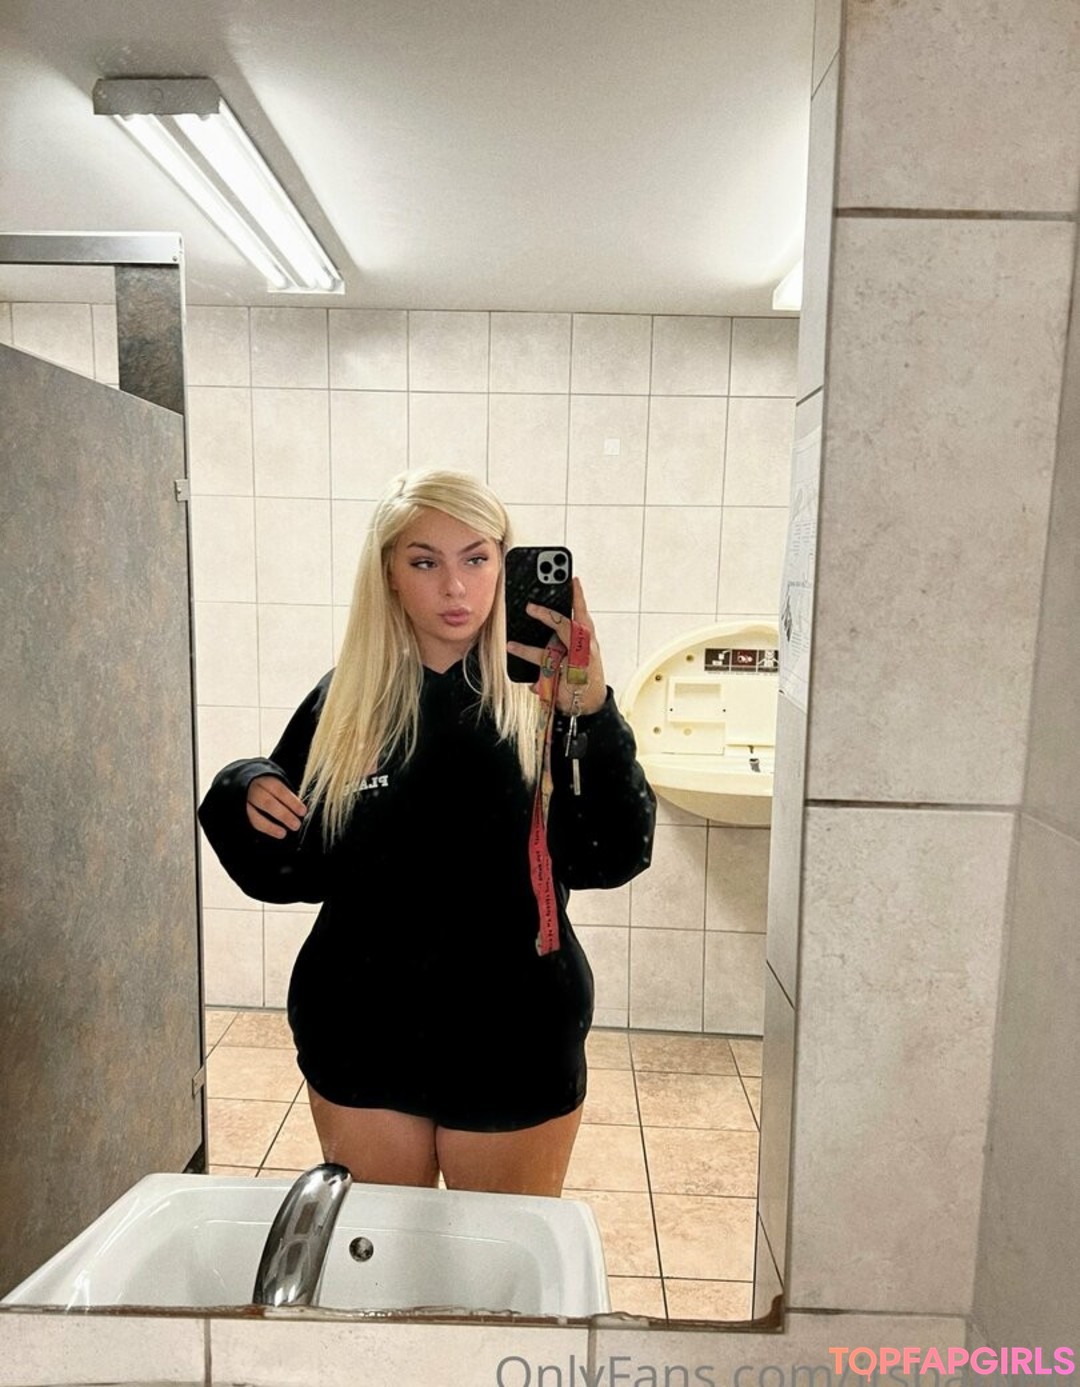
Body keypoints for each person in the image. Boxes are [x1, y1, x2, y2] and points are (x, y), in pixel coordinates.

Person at [198, 469, 655, 1197]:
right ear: (388, 572)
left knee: (499, 1261)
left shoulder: (548, 701)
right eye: (424, 561)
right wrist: (241, 786)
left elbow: (613, 854)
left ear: (503, 563)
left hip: (515, 1031)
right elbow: (292, 871)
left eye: (476, 558)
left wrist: (592, 712)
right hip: (362, 1027)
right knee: (381, 1253)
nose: (455, 587)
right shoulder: (345, 702)